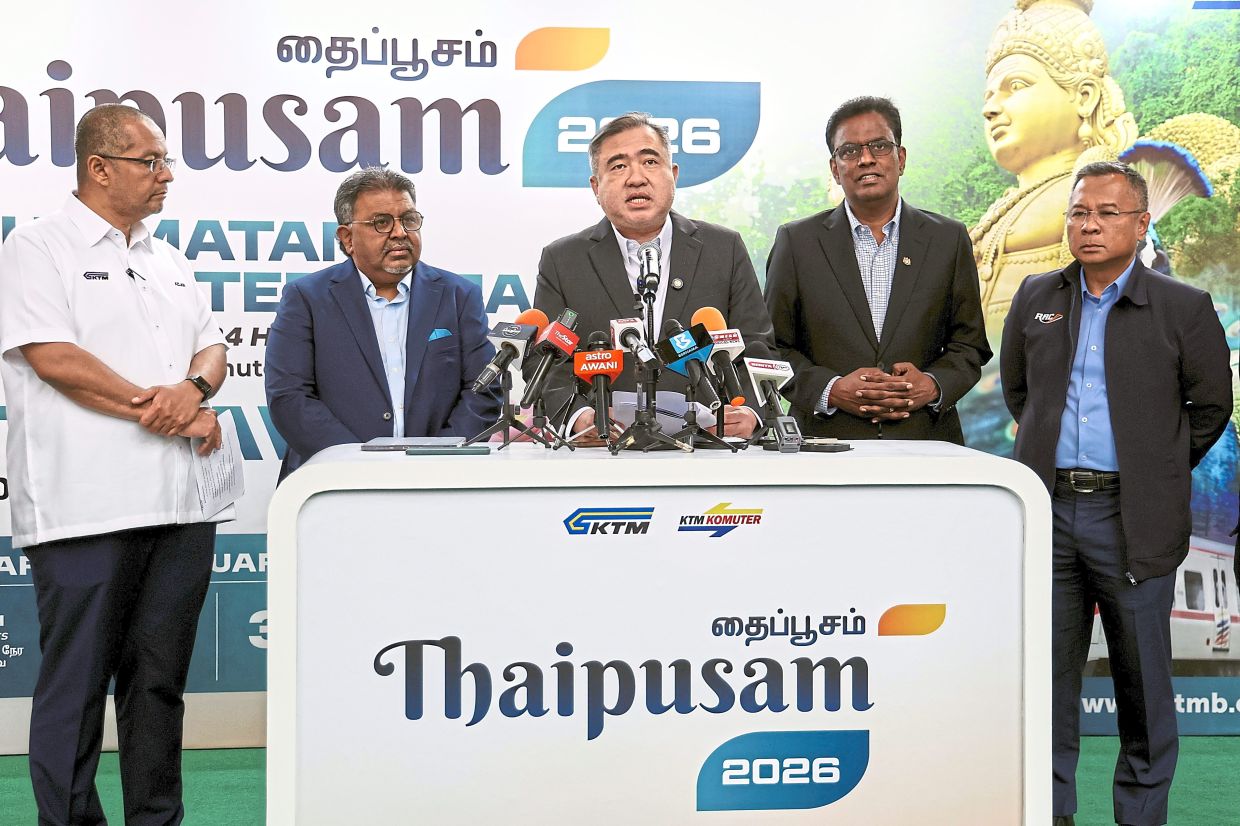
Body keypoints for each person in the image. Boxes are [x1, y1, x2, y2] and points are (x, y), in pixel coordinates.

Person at [0, 103, 228, 825]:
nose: (165, 176)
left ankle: (154, 819)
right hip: (84, 508)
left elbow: (212, 346)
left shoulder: (168, 257)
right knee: (75, 688)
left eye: (166, 163)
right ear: (99, 167)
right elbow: (53, 358)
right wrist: (160, 406)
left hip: (181, 506)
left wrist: (192, 390)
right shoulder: (39, 247)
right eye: (149, 162)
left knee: (157, 685)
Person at [1000, 161, 1232, 826]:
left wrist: (1155, 468)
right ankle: (1052, 814)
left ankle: (1139, 818)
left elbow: (1210, 406)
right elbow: (1022, 393)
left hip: (1132, 519)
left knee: (1143, 689)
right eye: (1079, 213)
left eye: (1106, 213)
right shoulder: (1036, 297)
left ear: (1140, 222)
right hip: (1046, 516)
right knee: (1047, 689)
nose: (1090, 225)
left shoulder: (1183, 308)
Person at [532, 112, 773, 441]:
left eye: (649, 161)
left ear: (672, 175)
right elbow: (545, 360)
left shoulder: (723, 248)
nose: (635, 178)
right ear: (595, 187)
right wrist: (576, 416)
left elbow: (756, 344)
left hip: (707, 444)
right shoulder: (563, 260)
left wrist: (749, 413)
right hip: (604, 448)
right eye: (617, 166)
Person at [764, 96, 991, 443]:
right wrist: (831, 389)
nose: (866, 158)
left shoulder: (948, 238)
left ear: (900, 159)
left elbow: (969, 345)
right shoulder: (797, 242)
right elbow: (771, 348)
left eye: (879, 146)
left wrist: (931, 386)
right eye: (850, 151)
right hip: (827, 446)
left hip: (927, 443)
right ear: (834, 168)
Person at [265, 168, 500, 479]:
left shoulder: (459, 296)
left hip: (438, 480)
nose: (400, 232)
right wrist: (358, 465)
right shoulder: (306, 298)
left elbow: (482, 390)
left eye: (409, 219)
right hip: (333, 482)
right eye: (381, 222)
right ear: (347, 238)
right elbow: (289, 396)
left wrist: (436, 460)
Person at [973, 0, 1138, 334]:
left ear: (1084, 96)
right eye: (988, 95)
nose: (990, 108)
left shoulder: (1104, 194)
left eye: (1015, 85)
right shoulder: (1002, 209)